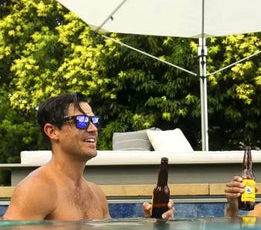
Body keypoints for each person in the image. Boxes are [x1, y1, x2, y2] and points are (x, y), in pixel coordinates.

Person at [3, 92, 174, 220]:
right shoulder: (35, 190)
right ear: (52, 131)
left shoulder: (96, 195)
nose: (93, 128)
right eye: (82, 121)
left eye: (94, 121)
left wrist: (152, 222)